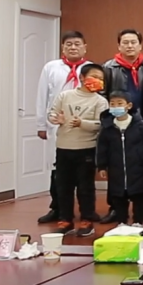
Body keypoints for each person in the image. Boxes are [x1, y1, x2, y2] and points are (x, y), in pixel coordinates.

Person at [99, 29, 143, 224]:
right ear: (119, 46)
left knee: (140, 166)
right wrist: (107, 119)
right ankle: (115, 209)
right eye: (125, 42)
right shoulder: (108, 67)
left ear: (140, 45)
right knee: (117, 167)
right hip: (117, 121)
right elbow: (102, 96)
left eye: (133, 42)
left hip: (142, 121)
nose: (130, 46)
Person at [35, 30, 93, 225]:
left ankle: (87, 211)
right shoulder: (51, 68)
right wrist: (41, 124)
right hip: (57, 126)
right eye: (69, 44)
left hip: (83, 126)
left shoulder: (91, 68)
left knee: (84, 171)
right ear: (63, 47)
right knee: (58, 169)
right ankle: (58, 208)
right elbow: (42, 96)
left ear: (85, 47)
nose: (73, 47)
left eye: (77, 44)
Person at [48, 64, 107, 236]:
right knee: (63, 186)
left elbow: (101, 125)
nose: (97, 80)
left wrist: (82, 123)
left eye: (101, 78)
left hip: (86, 148)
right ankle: (65, 219)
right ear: (82, 77)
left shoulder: (100, 101)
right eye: (94, 76)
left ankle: (86, 219)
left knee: (85, 187)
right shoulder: (65, 96)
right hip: (64, 147)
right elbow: (52, 113)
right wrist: (55, 119)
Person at [96, 91, 143, 226]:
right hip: (116, 169)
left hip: (138, 168)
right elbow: (102, 148)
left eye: (119, 103)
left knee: (139, 196)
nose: (116, 107)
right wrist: (101, 166)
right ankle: (121, 222)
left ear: (128, 106)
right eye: (112, 104)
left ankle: (138, 221)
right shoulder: (107, 127)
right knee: (118, 197)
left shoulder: (140, 125)